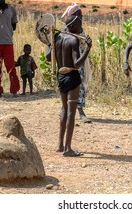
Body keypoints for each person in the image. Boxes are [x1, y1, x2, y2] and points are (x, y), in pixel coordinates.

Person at [46, 14, 92, 157]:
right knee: (71, 111)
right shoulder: (73, 40)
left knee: (64, 109)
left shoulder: (57, 37)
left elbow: (48, 57)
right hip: (72, 76)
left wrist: (49, 41)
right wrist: (88, 48)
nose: (81, 27)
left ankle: (60, 144)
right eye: (79, 24)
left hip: (61, 76)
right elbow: (77, 64)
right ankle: (68, 148)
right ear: (71, 26)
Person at [61, 3, 92, 123]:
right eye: (79, 15)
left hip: (80, 61)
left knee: (80, 85)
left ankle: (76, 110)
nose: (81, 18)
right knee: (72, 85)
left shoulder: (79, 28)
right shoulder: (67, 30)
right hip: (71, 62)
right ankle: (76, 111)